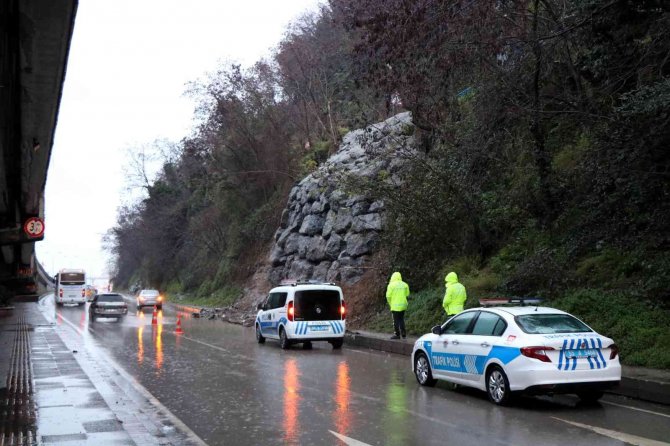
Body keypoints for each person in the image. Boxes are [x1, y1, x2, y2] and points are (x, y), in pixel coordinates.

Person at [386, 271, 410, 339]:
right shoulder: (405, 284)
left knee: (396, 321)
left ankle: (397, 334)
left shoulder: (391, 285)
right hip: (403, 305)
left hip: (395, 306)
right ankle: (403, 333)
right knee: (401, 319)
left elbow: (388, 296)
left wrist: (390, 303)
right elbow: (407, 294)